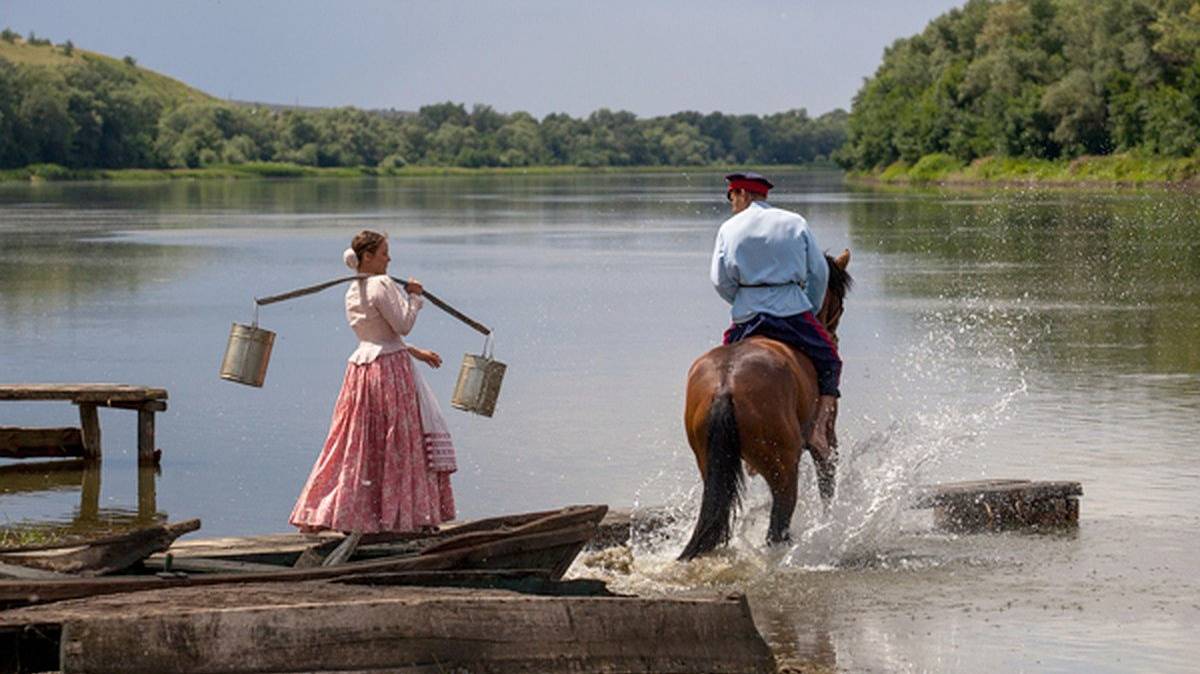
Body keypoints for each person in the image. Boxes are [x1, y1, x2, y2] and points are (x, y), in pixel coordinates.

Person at [290, 230, 457, 533]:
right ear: (368, 257)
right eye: (384, 253)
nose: (389, 259)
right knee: (398, 442)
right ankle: (401, 518)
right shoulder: (380, 284)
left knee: (360, 442)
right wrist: (415, 297)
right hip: (390, 373)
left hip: (362, 371)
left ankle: (356, 515)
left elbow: (375, 336)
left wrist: (415, 352)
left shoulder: (354, 289)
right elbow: (403, 325)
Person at [710, 172, 842, 456]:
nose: (732, 204)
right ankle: (819, 430)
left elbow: (720, 280)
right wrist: (809, 305)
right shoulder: (795, 222)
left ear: (742, 194)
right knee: (830, 361)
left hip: (747, 315)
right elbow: (818, 273)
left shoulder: (729, 228)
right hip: (792, 311)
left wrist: (744, 299)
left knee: (723, 369)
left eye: (731, 197)